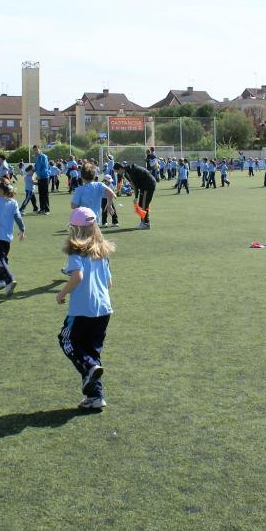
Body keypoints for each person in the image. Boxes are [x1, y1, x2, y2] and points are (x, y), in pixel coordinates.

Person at [56, 207, 114, 410]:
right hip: (104, 309)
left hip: (82, 309)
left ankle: (89, 368)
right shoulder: (102, 251)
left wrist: (61, 294)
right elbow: (109, 283)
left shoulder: (76, 251)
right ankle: (96, 396)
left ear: (74, 229)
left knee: (66, 340)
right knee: (91, 352)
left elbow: (77, 276)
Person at [114, 162, 156, 230]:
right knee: (140, 204)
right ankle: (143, 222)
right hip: (143, 186)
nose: (118, 173)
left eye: (117, 171)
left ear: (120, 169)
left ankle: (146, 223)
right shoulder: (127, 172)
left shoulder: (130, 171)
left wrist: (136, 197)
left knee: (144, 204)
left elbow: (135, 185)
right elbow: (133, 184)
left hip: (148, 185)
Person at [33, 145, 51, 214]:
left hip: (45, 177)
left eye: (36, 150)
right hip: (40, 178)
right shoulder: (37, 157)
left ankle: (47, 210)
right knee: (40, 194)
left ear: (39, 149)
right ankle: (42, 209)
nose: (35, 151)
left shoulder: (44, 157)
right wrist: (33, 172)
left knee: (45, 194)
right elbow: (37, 167)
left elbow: (45, 167)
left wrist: (39, 175)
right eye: (34, 150)